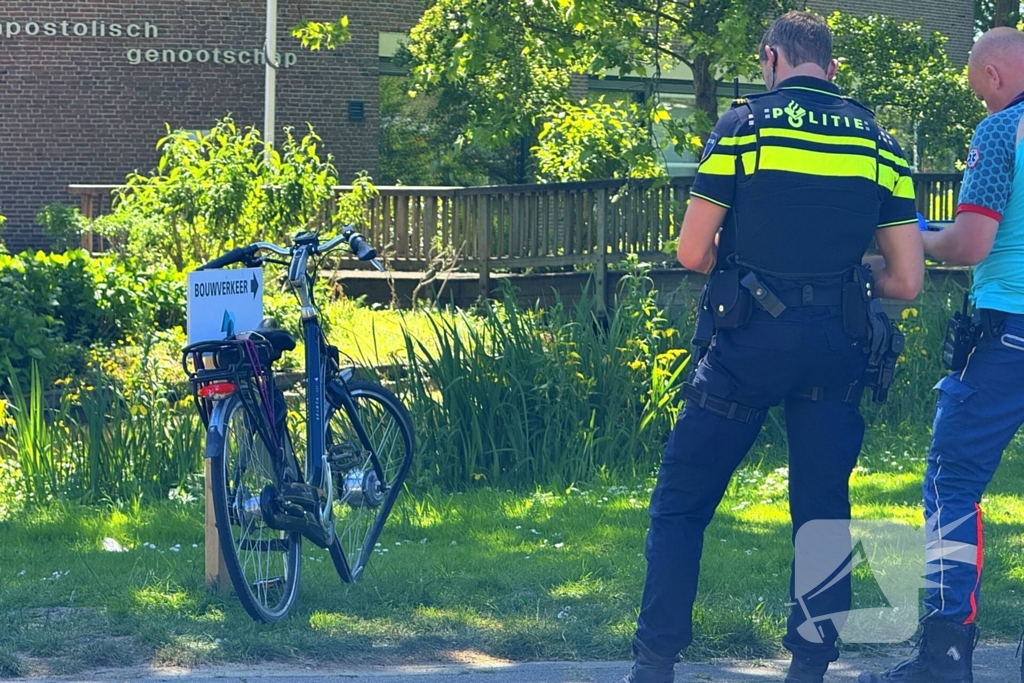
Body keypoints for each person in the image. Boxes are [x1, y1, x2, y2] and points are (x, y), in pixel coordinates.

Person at [620, 11, 925, 683]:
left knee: (682, 502)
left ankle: (654, 662)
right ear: (833, 68)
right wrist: (841, 277)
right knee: (821, 512)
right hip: (837, 347)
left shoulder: (743, 125)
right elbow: (905, 279)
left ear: (770, 59)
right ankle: (811, 666)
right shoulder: (880, 143)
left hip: (748, 346)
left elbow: (693, 251)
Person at [858, 27, 1024, 683]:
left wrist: (911, 237)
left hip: (1008, 335)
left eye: (976, 89)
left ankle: (944, 655)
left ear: (993, 77)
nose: (978, 102)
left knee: (951, 487)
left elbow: (971, 243)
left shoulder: (1001, 132)